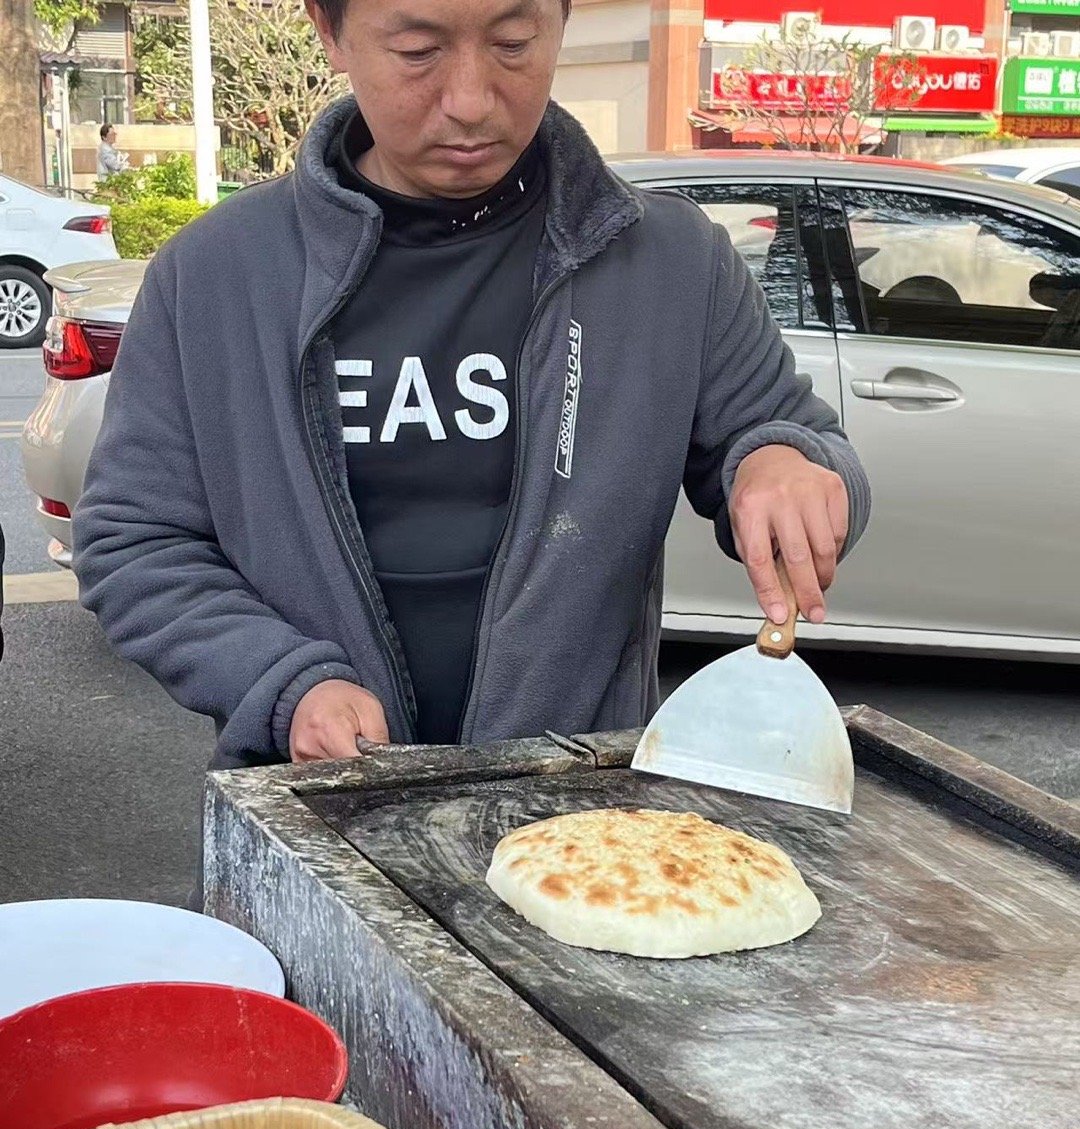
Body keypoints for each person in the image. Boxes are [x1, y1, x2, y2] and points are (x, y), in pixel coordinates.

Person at [73, 0, 870, 772]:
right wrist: (280, 683)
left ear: (563, 20)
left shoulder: (671, 261)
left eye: (514, 42)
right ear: (330, 30)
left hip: (576, 798)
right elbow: (135, 541)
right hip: (311, 799)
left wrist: (782, 461)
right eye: (418, 52)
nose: (470, 100)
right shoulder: (217, 274)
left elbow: (787, 437)